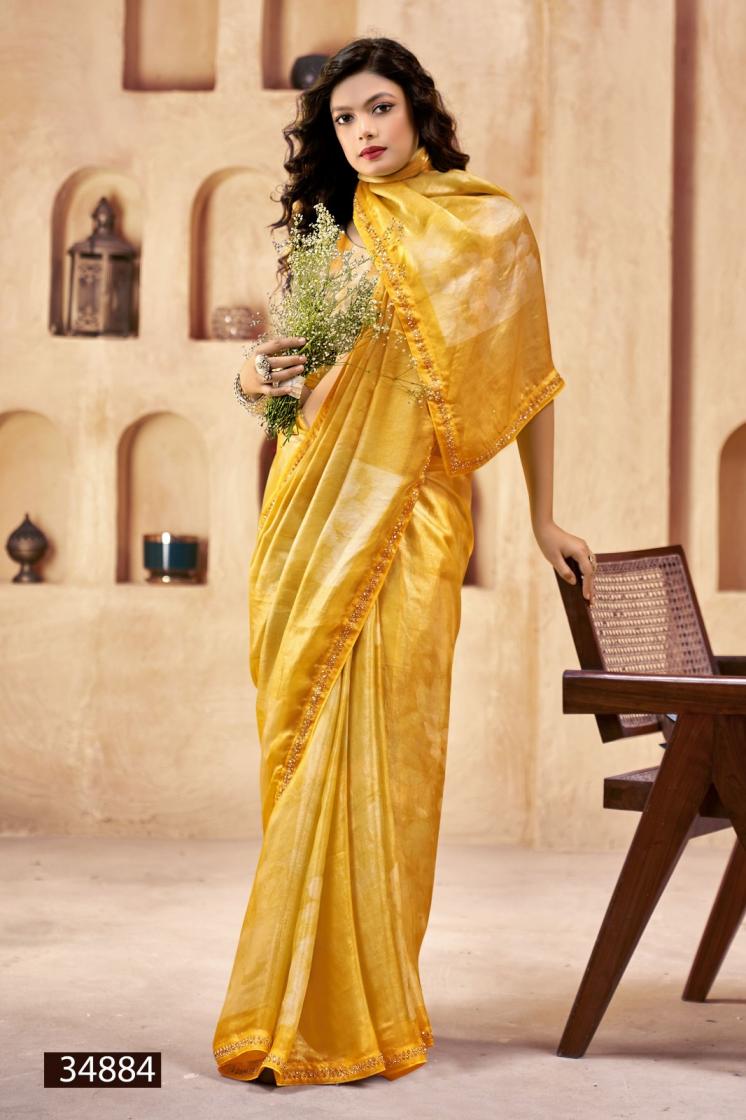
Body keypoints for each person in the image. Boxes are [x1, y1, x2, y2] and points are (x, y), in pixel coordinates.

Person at [213, 36, 597, 1088]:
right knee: (304, 754)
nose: (362, 131)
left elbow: (528, 380)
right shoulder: (328, 232)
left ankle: (366, 1008)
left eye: (378, 108)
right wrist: (251, 382)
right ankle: (287, 1011)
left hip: (413, 519)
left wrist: (543, 519)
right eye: (343, 119)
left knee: (391, 761)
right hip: (306, 513)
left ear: (418, 109)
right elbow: (289, 393)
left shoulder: (487, 226)